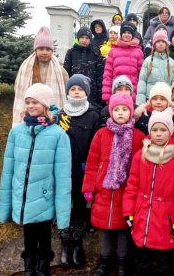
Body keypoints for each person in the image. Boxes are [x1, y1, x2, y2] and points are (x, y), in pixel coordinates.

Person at [0, 83, 72, 276]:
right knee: (28, 234)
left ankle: (43, 266)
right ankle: (29, 266)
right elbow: (9, 168)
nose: (31, 106)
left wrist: (62, 211)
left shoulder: (58, 135)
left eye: (35, 102)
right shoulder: (17, 132)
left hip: (44, 196)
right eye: (28, 102)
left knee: (44, 233)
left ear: (45, 105)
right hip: (23, 196)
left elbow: (63, 176)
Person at [82, 93, 145, 276]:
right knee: (105, 229)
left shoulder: (138, 136)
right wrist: (88, 187)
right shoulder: (101, 134)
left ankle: (123, 262)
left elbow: (141, 167)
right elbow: (92, 162)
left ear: (131, 112)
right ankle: (104, 261)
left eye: (124, 109)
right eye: (116, 109)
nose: (120, 113)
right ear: (110, 112)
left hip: (125, 192)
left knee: (123, 230)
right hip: (103, 190)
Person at [123, 110, 174, 276]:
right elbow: (132, 186)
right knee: (143, 260)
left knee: (164, 262)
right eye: (155, 130)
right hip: (143, 216)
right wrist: (129, 211)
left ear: (170, 131)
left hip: (167, 219)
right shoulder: (141, 155)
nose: (158, 134)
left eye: (163, 130)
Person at [56, 74, 102, 268]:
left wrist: (88, 165)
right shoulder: (60, 115)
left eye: (80, 89)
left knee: (81, 205)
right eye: (72, 89)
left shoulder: (93, 115)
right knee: (65, 204)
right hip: (62, 169)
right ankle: (65, 244)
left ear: (86, 93)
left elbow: (95, 144)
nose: (76, 92)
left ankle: (77, 242)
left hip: (83, 168)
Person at [13, 26, 69, 125]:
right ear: (35, 50)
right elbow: (18, 88)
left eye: (48, 49)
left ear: (52, 51)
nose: (44, 52)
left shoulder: (60, 71)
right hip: (31, 110)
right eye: (41, 49)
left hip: (49, 112)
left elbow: (67, 91)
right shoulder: (25, 68)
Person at [102, 21, 144, 104]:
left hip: (132, 95)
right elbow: (108, 75)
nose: (126, 35)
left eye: (129, 32)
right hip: (116, 93)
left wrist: (139, 97)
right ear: (121, 34)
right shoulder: (113, 51)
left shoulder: (138, 52)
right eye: (124, 32)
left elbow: (141, 76)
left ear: (132, 35)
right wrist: (107, 96)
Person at [64, 26, 104, 107]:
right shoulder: (71, 53)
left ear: (90, 40)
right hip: (75, 92)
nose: (84, 40)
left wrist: (100, 95)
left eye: (87, 38)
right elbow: (65, 74)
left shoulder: (96, 53)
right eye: (82, 37)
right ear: (78, 38)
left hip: (92, 94)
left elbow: (100, 76)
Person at [136, 30, 174, 106]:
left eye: (163, 41)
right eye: (158, 41)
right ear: (154, 44)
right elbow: (142, 81)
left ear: (166, 44)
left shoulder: (171, 62)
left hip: (166, 100)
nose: (161, 44)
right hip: (150, 99)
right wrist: (140, 103)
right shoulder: (148, 61)